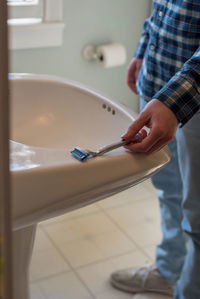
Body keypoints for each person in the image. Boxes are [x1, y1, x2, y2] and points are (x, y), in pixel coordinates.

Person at [110, 1, 200, 299]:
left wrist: (174, 102)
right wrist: (143, 49)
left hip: (191, 102)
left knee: (198, 218)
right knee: (169, 192)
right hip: (158, 84)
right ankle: (168, 271)